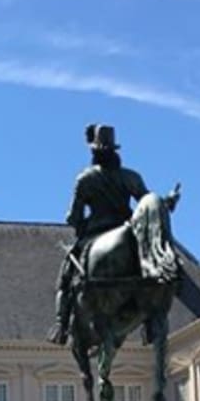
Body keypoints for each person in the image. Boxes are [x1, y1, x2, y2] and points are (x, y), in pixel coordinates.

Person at [47, 124, 148, 345]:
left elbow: (73, 216)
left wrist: (78, 222)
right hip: (127, 232)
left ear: (94, 152)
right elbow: (146, 204)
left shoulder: (85, 179)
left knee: (65, 280)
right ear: (115, 151)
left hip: (94, 232)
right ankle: (150, 324)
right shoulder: (131, 177)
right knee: (152, 270)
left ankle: (61, 325)